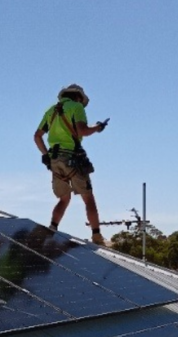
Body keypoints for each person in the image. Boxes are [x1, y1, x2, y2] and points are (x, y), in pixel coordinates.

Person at [34, 83, 108, 245]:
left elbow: (37, 136)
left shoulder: (51, 111)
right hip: (72, 158)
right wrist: (98, 127)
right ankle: (97, 236)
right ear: (78, 97)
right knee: (88, 198)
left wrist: (46, 155)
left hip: (55, 160)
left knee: (64, 198)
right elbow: (82, 131)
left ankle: (52, 229)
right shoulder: (76, 107)